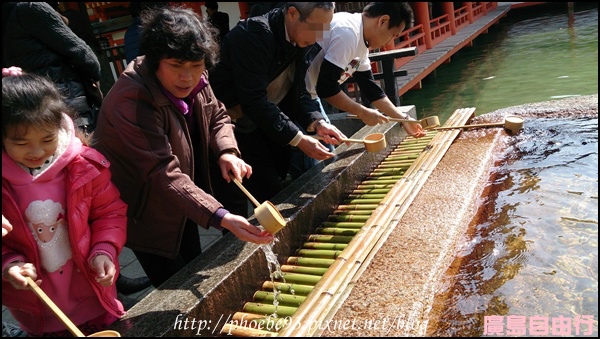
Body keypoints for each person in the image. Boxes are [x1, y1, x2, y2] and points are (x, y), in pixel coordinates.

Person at [91, 6, 274, 288]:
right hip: (146, 210)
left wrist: (227, 150)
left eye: (196, 66)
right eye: (176, 66)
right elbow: (161, 172)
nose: (187, 77)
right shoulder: (132, 99)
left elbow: (218, 115)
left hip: (181, 197)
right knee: (174, 286)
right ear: (154, 61)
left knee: (192, 270)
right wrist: (220, 216)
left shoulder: (198, 77)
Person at [1, 72, 128, 336]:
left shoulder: (84, 166)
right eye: (21, 143)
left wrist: (105, 249)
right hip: (40, 309)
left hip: (95, 295)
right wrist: (10, 264)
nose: (36, 152)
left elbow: (109, 212)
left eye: (47, 139)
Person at [208, 2, 346, 217]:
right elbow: (254, 99)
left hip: (262, 125)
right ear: (292, 13)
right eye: (316, 26)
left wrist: (317, 122)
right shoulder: (253, 35)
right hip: (228, 128)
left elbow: (297, 91)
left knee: (271, 193)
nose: (320, 35)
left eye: (325, 28)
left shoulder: (302, 39)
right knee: (236, 206)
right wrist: (299, 138)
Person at [304, 2, 428, 133]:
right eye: (393, 35)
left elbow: (371, 89)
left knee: (327, 149)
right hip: (296, 96)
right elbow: (326, 87)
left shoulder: (360, 40)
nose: (389, 41)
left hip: (310, 96)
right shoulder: (348, 33)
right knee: (323, 151)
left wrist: (404, 119)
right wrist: (362, 112)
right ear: (383, 21)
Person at [2, 2, 102, 135]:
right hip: (65, 98)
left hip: (22, 106)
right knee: (81, 150)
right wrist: (95, 78)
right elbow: (82, 54)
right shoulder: (29, 7)